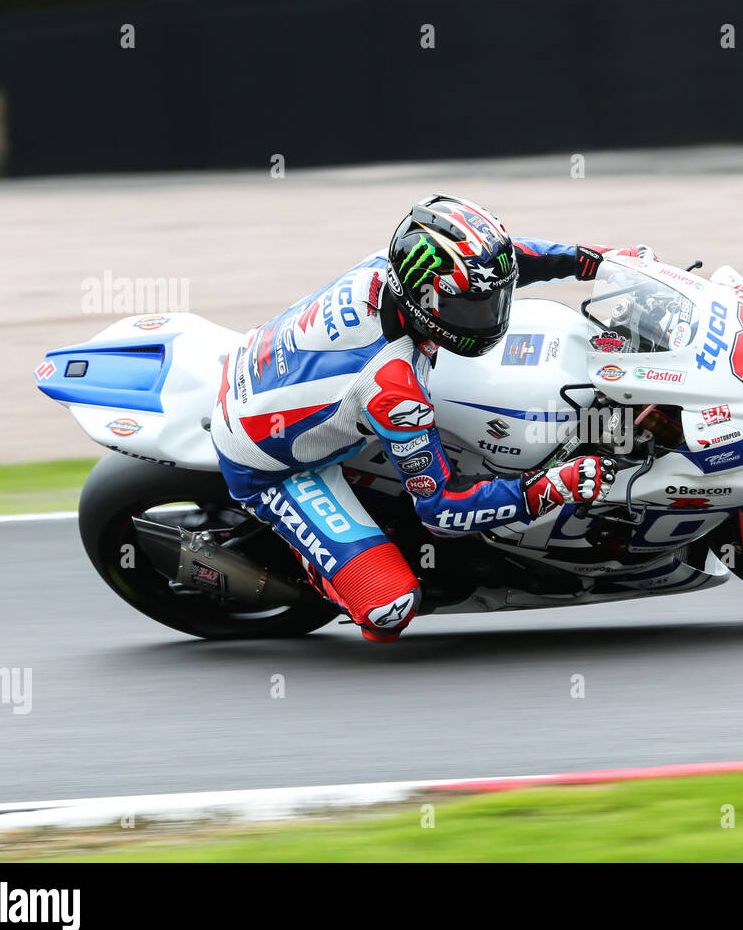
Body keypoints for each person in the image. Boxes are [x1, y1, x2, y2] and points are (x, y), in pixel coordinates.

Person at [210, 194, 650, 641]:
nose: (490, 316)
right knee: (389, 610)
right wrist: (553, 486)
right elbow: (441, 509)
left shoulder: (393, 265)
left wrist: (596, 262)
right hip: (269, 461)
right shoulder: (392, 389)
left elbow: (507, 259)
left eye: (491, 301)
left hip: (270, 375)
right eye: (470, 308)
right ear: (423, 300)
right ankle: (315, 569)